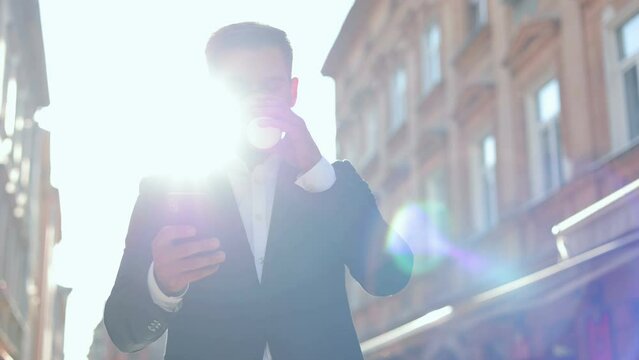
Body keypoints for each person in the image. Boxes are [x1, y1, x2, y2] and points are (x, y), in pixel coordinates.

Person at [104, 22, 413, 360]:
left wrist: (316, 171)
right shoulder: (167, 193)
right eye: (238, 87)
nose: (256, 101)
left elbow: (391, 277)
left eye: (270, 87)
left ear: (292, 93)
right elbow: (124, 331)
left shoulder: (332, 183)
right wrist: (162, 285)